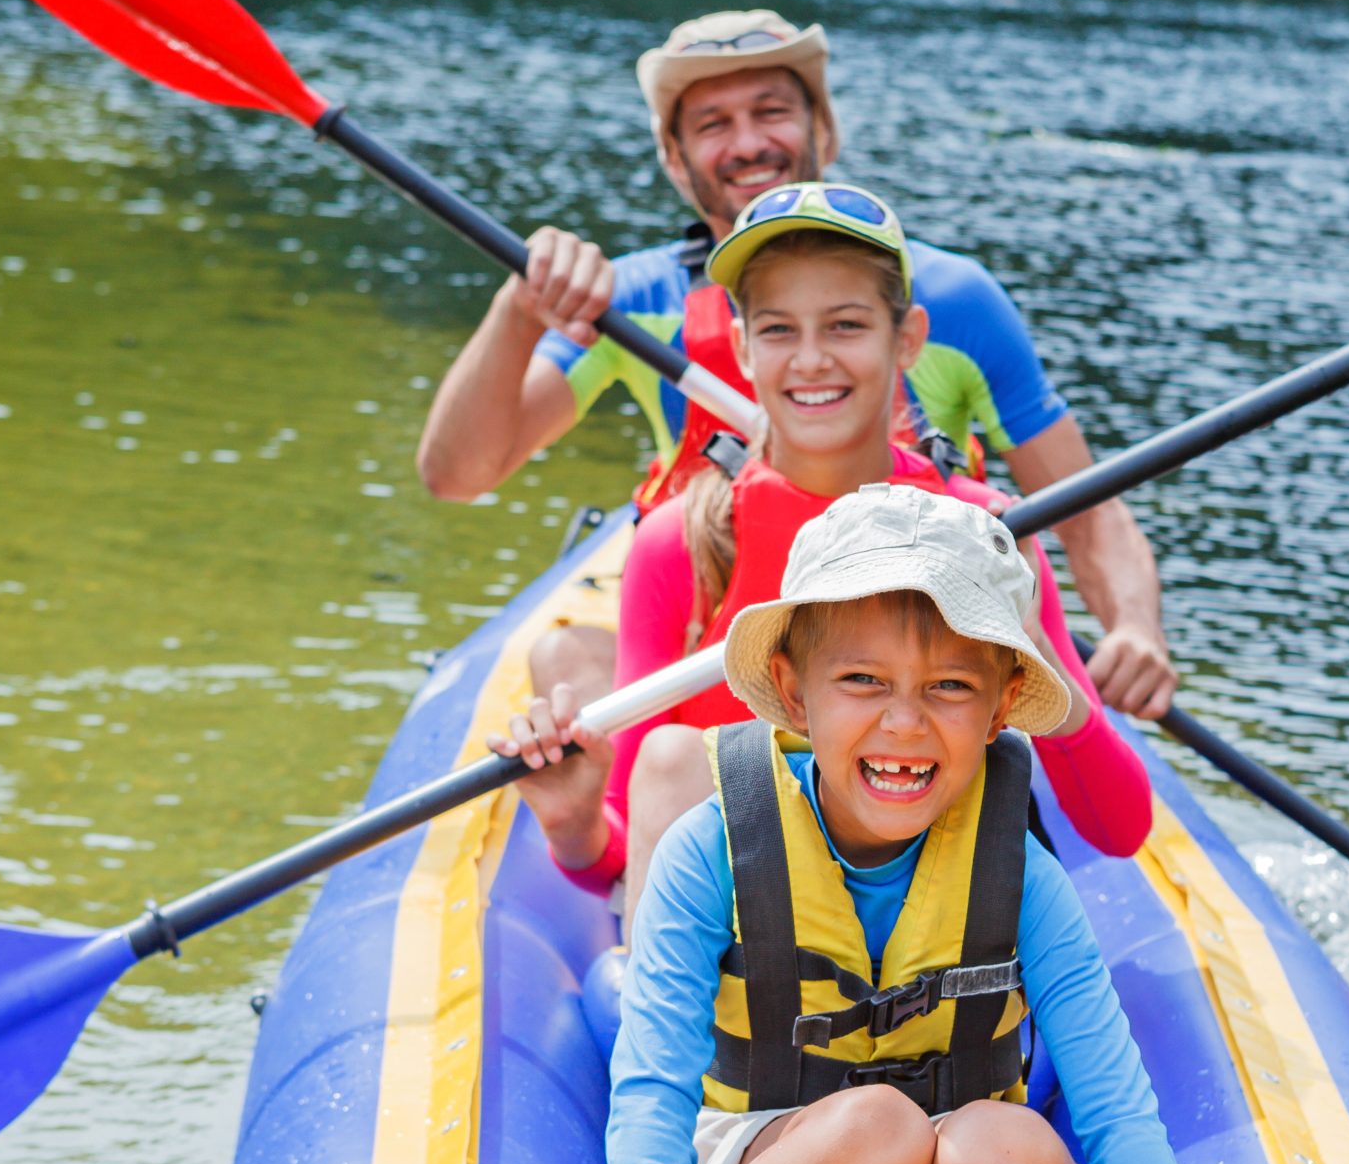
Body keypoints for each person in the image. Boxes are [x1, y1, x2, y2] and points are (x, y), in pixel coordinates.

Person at [484, 485, 1316, 1164]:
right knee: (877, 1126)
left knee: (1008, 1147)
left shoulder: (1022, 876)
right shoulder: (713, 848)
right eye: (862, 680)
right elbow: (649, 1099)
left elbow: (1117, 1116)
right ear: (793, 694)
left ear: (1004, 703)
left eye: (951, 688)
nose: (904, 724)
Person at [417, 8, 1177, 720]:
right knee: (566, 660)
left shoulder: (953, 298)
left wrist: (1136, 630)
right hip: (708, 647)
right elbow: (457, 474)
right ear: (675, 159)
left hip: (916, 659)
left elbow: (1087, 512)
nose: (748, 142)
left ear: (825, 127)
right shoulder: (632, 298)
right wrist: (519, 311)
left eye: (771, 111)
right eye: (713, 123)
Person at [492, 183, 1151, 915]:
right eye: (777, 329)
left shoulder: (984, 535)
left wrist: (1046, 675)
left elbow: (1119, 828)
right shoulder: (677, 542)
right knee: (673, 759)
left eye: (845, 325)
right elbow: (619, 850)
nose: (811, 359)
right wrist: (574, 822)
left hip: (934, 956)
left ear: (907, 338)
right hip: (749, 969)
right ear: (740, 346)